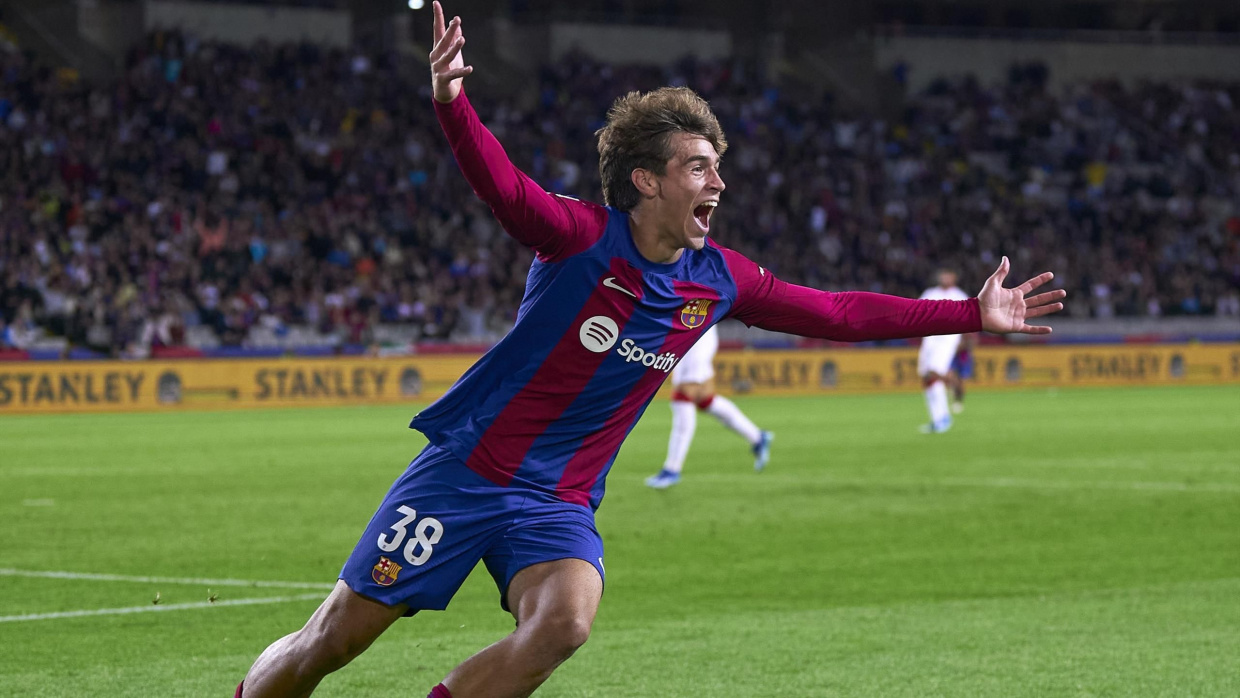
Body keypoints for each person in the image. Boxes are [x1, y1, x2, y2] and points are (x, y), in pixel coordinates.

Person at [236, 5, 1066, 696]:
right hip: (468, 472)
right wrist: (453, 103)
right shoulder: (577, 238)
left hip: (558, 500)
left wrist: (970, 312)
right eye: (699, 168)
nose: (718, 183)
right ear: (647, 180)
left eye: (718, 167)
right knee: (333, 640)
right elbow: (502, 186)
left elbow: (837, 311)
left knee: (565, 622)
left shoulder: (720, 278)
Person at [645, 324, 773, 489]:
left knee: (683, 395)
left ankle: (672, 469)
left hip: (697, 331)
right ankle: (757, 437)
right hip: (692, 332)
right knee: (705, 399)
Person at [917, 270, 971, 433]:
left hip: (947, 339)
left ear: (954, 277)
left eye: (948, 275)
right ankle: (937, 418)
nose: (944, 278)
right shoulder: (930, 293)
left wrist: (964, 341)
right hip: (929, 338)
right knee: (926, 376)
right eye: (943, 275)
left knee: (934, 373)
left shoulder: (959, 296)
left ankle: (943, 417)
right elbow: (917, 312)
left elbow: (968, 319)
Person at [949, 331, 977, 413]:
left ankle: (959, 401)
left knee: (962, 381)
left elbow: (971, 343)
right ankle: (955, 399)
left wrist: (961, 347)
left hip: (963, 357)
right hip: (952, 357)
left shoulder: (966, 332)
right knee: (952, 378)